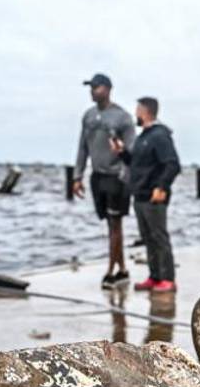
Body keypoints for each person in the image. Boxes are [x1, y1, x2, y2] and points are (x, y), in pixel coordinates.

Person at [111, 96, 181, 293]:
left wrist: (161, 187)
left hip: (154, 196)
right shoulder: (144, 137)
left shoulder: (160, 135)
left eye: (137, 110)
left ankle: (168, 278)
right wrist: (122, 153)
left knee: (159, 237)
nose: (135, 114)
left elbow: (172, 164)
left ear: (145, 111)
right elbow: (137, 164)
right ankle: (154, 276)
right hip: (140, 195)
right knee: (148, 238)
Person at [74, 73, 136, 288]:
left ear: (108, 89)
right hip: (97, 176)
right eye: (91, 87)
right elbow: (82, 147)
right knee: (110, 225)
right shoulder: (88, 116)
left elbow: (132, 152)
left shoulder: (122, 117)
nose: (93, 91)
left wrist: (124, 162)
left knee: (115, 224)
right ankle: (123, 269)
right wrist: (77, 176)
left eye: (97, 87)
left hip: (116, 176)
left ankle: (111, 270)